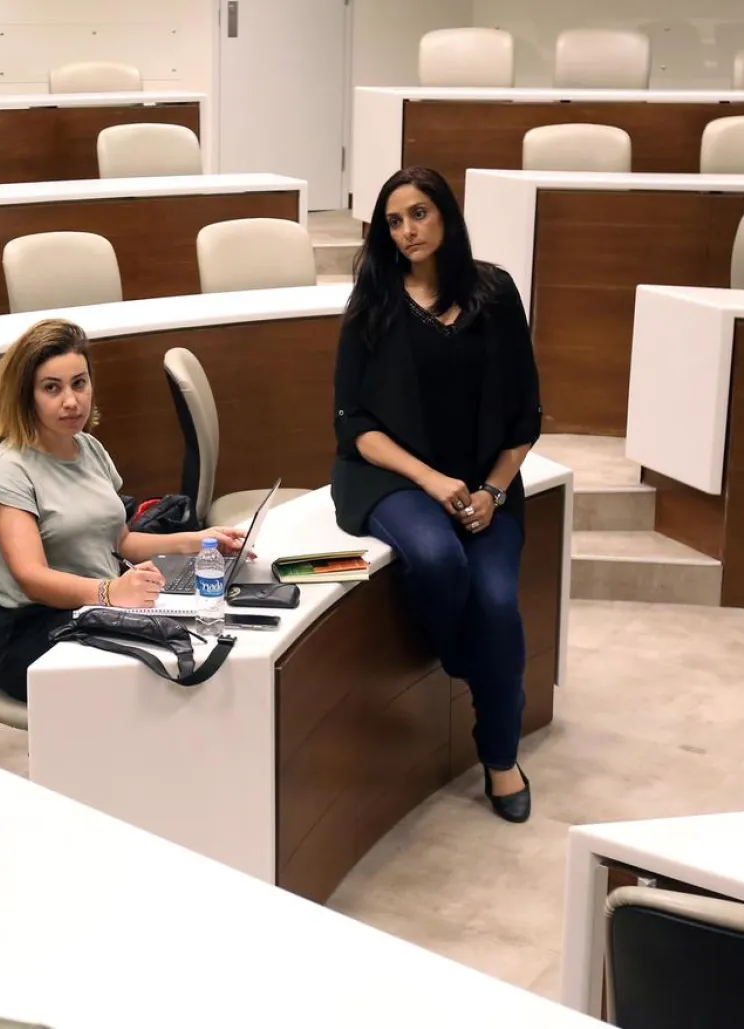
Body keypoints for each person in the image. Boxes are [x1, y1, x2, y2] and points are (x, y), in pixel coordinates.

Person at [331, 166, 542, 824]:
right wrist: (433, 481)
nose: (408, 230)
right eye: (394, 221)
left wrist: (493, 491)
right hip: (392, 477)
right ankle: (462, 655)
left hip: (486, 479)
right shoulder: (375, 304)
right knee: (438, 557)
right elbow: (352, 424)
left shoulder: (495, 292)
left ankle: (499, 758)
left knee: (500, 603)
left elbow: (526, 412)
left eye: (419, 213)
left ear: (447, 215)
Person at [0, 317, 247, 701]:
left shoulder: (89, 448)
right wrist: (110, 592)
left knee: (198, 645)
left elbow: (121, 541)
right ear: (25, 395)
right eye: (52, 388)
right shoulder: (7, 470)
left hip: (91, 611)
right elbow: (31, 577)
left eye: (79, 384)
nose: (72, 401)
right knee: (157, 672)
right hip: (30, 633)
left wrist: (198, 541)